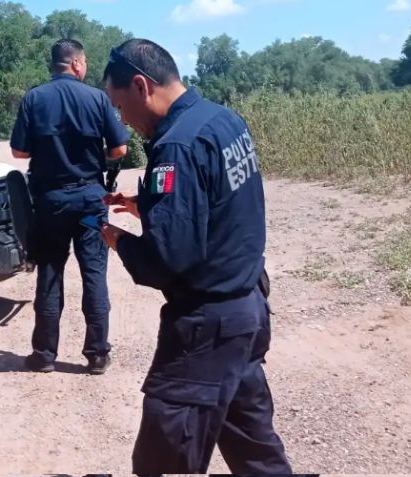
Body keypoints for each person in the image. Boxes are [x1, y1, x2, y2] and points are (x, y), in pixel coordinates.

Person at [99, 39, 293, 474]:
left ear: (140, 86)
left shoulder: (177, 146)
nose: (122, 119)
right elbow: (214, 202)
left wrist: (115, 239)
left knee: (164, 458)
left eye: (119, 105)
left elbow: (169, 258)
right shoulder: (222, 120)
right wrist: (146, 203)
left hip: (207, 328)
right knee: (254, 451)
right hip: (246, 313)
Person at [11, 39, 130, 375]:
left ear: (55, 64)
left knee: (50, 273)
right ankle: (97, 355)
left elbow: (19, 154)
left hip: (51, 202)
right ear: (77, 63)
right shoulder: (96, 98)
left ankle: (44, 355)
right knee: (94, 274)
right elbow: (120, 149)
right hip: (91, 198)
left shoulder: (34, 98)